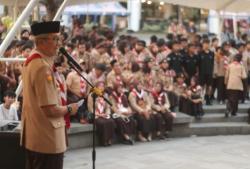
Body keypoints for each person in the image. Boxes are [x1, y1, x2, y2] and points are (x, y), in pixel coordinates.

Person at [21, 21, 79, 169]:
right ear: (41, 41)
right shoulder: (42, 67)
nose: (58, 43)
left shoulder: (36, 61)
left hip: (38, 136)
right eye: (55, 39)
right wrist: (70, 109)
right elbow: (50, 109)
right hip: (46, 138)